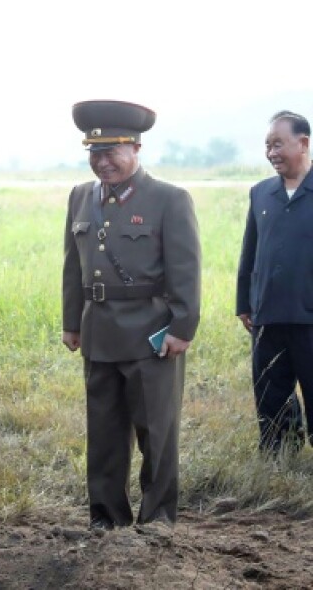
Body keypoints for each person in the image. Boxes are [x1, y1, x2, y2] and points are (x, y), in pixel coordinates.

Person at [61, 99, 201, 529]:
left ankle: (157, 520)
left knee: (156, 434)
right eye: (94, 153)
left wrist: (182, 327)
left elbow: (185, 268)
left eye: (112, 152)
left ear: (136, 149)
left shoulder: (169, 199)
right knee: (103, 434)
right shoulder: (81, 197)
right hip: (98, 331)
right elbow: (73, 264)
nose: (102, 162)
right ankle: (106, 517)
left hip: (151, 334)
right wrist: (71, 322)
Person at [236, 110, 313, 454]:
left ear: (304, 143)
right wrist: (244, 303)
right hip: (267, 315)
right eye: (268, 146)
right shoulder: (261, 193)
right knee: (270, 393)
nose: (272, 153)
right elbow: (249, 253)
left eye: (278, 144)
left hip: (309, 317)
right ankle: (280, 457)